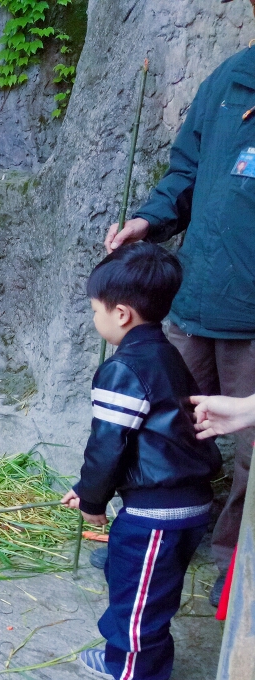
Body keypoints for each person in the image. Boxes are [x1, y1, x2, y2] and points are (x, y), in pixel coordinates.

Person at [104, 0, 255, 607]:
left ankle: (234, 572)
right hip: (194, 303)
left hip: (252, 322)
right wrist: (148, 219)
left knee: (250, 458)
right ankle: (160, 537)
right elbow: (185, 172)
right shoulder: (230, 77)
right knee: (165, 432)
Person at [61, 242, 222, 680]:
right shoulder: (164, 353)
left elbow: (108, 445)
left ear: (122, 313)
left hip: (158, 510)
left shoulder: (123, 368)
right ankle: (121, 655)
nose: (95, 319)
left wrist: (92, 500)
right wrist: (87, 488)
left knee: (139, 599)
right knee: (133, 583)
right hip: (175, 501)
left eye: (95, 310)